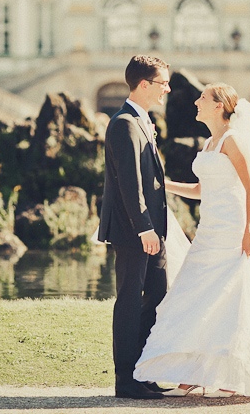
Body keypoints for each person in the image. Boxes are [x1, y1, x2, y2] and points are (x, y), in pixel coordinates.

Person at [134, 83, 250, 399]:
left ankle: (227, 379)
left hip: (231, 231)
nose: (196, 101)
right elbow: (200, 190)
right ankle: (193, 376)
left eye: (203, 97)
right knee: (196, 297)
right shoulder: (210, 142)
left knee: (227, 299)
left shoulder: (232, 140)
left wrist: (248, 230)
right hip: (209, 231)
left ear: (219, 105)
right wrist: (162, 185)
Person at [97, 55, 172, 400]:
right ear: (145, 85)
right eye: (162, 83)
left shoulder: (142, 121)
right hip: (134, 232)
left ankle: (145, 371)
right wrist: (144, 228)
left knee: (157, 296)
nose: (167, 89)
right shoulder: (124, 123)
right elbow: (130, 183)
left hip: (153, 230)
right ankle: (126, 379)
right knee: (129, 300)